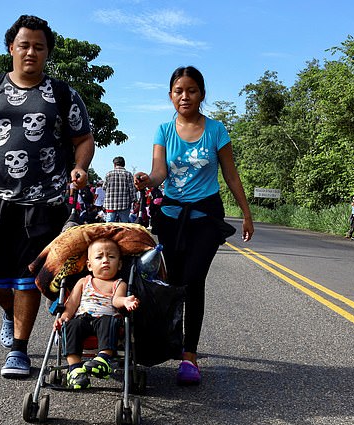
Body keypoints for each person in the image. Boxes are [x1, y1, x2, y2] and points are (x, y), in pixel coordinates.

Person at [0, 15, 95, 379]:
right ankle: (10, 310)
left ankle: (19, 349)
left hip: (45, 198)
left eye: (39, 46)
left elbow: (84, 139)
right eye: (24, 44)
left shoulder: (62, 94)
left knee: (28, 273)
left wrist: (79, 166)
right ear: (11, 48)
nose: (31, 51)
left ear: (47, 53)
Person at [134, 66, 254, 386]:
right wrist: (148, 181)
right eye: (178, 91)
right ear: (171, 95)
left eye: (191, 90)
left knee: (193, 280)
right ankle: (171, 342)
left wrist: (246, 212)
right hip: (171, 217)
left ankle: (190, 355)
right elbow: (159, 172)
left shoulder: (216, 130)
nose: (184, 96)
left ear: (201, 94)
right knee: (173, 282)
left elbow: (230, 175)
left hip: (205, 218)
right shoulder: (164, 130)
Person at [54, 238, 139, 389]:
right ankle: (75, 370)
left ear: (119, 264)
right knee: (71, 325)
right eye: (99, 257)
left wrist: (126, 301)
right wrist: (63, 318)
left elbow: (116, 300)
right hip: (83, 320)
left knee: (108, 321)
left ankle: (103, 359)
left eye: (111, 257)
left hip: (105, 322)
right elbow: (72, 304)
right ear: (89, 265)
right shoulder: (83, 282)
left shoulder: (118, 283)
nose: (105, 261)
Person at [103, 156, 136, 223]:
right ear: (124, 164)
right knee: (124, 224)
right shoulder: (128, 174)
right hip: (124, 204)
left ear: (114, 164)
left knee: (109, 224)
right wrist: (134, 200)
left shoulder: (108, 174)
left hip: (110, 204)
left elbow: (104, 187)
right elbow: (132, 190)